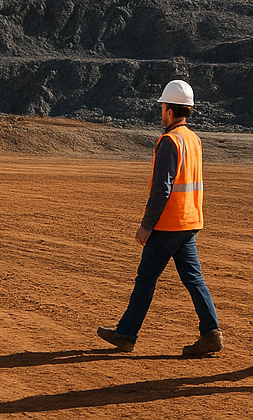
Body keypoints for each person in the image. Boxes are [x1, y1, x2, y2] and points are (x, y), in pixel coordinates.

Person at [96, 79, 223, 356]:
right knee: (194, 279)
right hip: (190, 222)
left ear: (168, 110)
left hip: (168, 224)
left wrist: (146, 226)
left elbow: (162, 189)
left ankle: (127, 333)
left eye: (162, 107)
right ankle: (210, 331)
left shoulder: (169, 141)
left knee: (146, 278)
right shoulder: (193, 139)